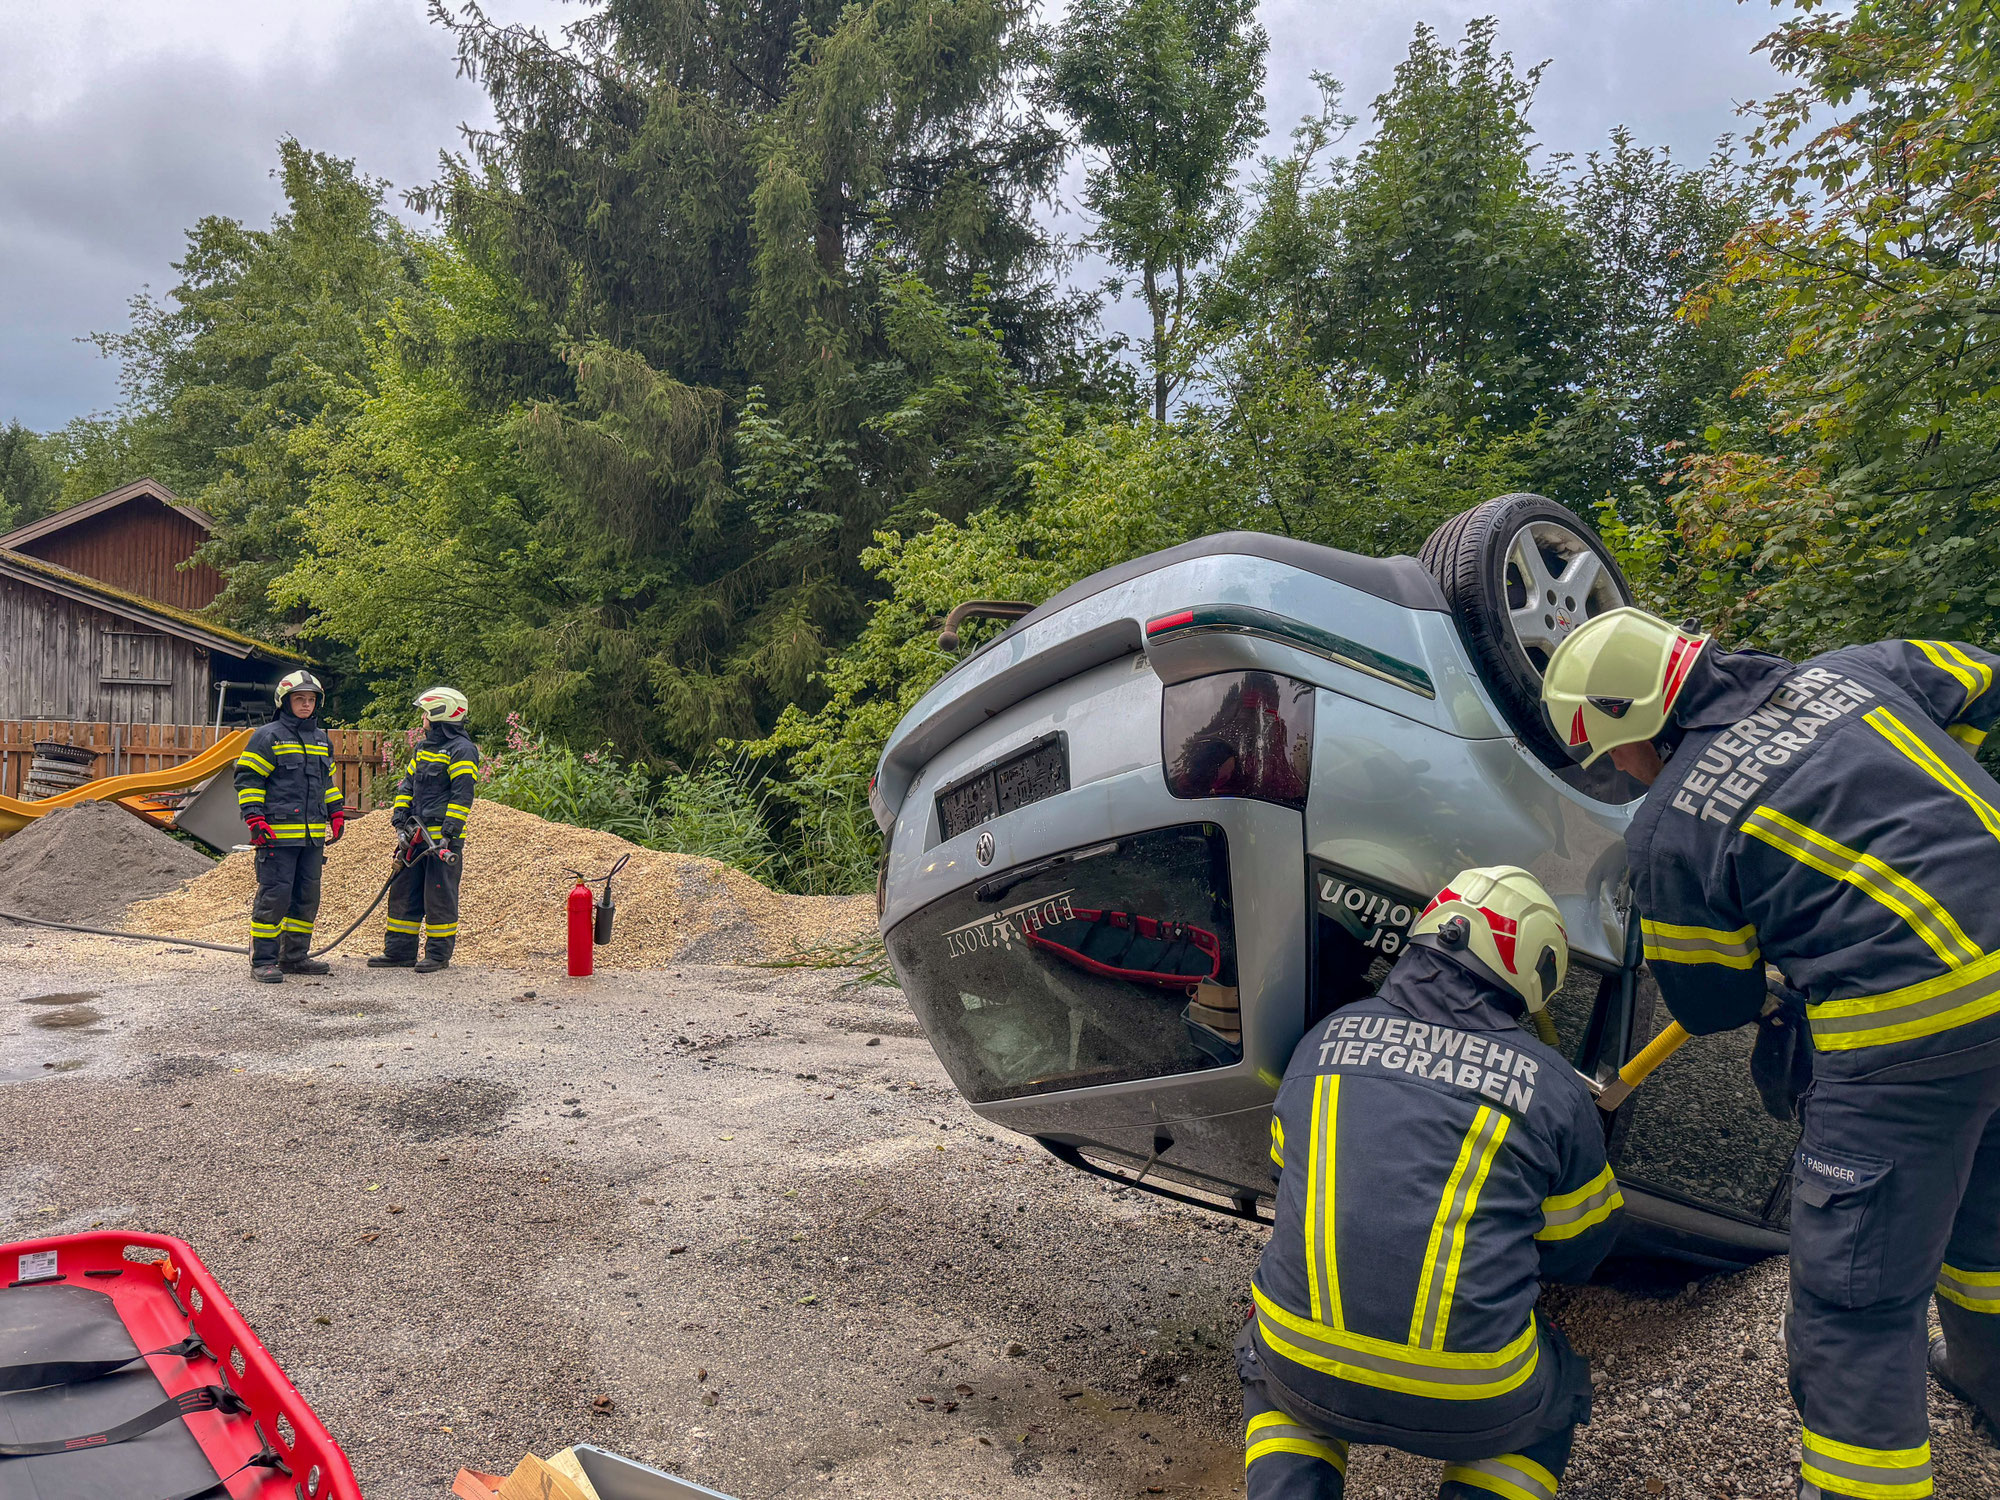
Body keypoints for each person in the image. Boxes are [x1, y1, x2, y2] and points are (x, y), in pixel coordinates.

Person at [1543, 607, 2000, 1499]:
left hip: (1908, 1037)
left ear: (1636, 726)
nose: (1618, 773)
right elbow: (1981, 675)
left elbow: (1712, 1004)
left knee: (1856, 1304)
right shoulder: (1853, 672)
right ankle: (1991, 1379)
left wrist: (1778, 955)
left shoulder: (1674, 825)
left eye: (1609, 754)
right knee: (1985, 1211)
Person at [1240, 866, 1622, 1500]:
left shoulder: (1320, 1043)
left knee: (1275, 1375)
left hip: (1303, 1366)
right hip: (1472, 1395)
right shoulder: (1552, 1087)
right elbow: (1581, 1248)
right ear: (1534, 972)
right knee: (1550, 1397)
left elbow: (1286, 1180)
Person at [232, 669, 345, 984]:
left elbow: (326, 783)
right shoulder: (268, 736)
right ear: (285, 701)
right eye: (300, 699)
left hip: (311, 838)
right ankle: (264, 960)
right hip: (277, 836)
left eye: (311, 699)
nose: (306, 705)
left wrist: (335, 812)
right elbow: (249, 779)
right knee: (274, 897)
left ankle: (294, 956)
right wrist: (255, 819)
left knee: (306, 897)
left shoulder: (322, 740)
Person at [368, 687, 479, 974]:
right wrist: (399, 818)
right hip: (415, 834)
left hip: (441, 839)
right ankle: (399, 952)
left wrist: (450, 831)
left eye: (427, 712)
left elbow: (462, 794)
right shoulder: (423, 748)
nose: (423, 718)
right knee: (404, 891)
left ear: (441, 713)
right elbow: (407, 785)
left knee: (439, 894)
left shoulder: (462, 750)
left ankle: (438, 955)